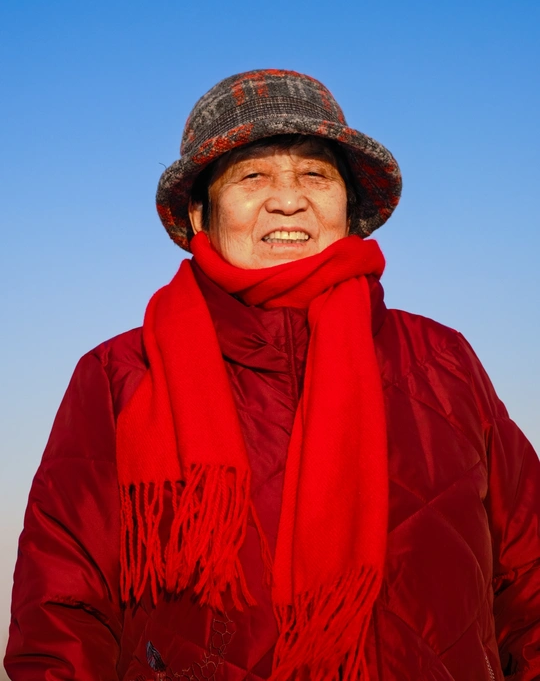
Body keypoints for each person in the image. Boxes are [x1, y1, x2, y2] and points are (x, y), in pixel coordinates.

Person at [4, 69, 540, 681]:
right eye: (252, 176)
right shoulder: (120, 375)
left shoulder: (442, 361)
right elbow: (62, 611)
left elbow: (529, 578)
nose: (288, 200)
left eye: (315, 174)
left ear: (348, 208)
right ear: (201, 215)